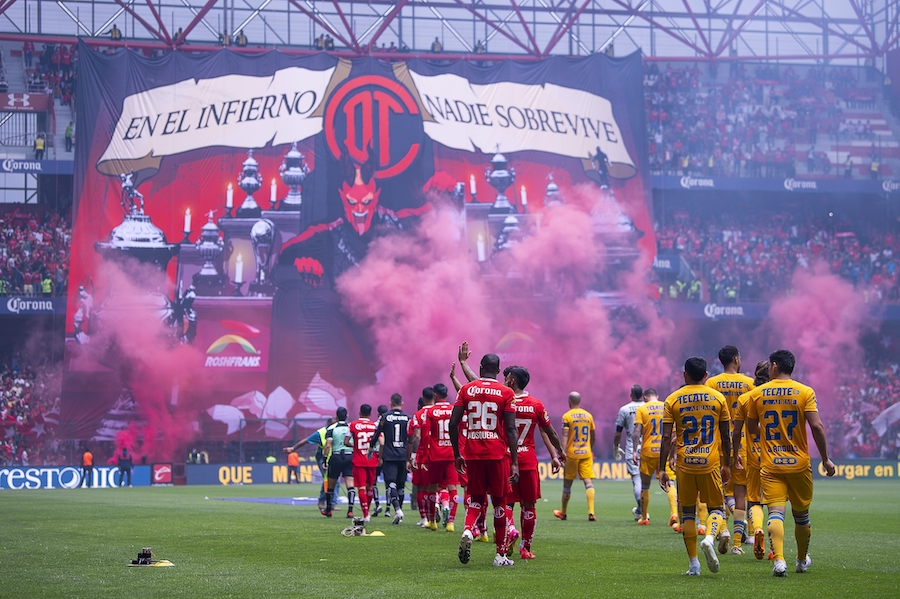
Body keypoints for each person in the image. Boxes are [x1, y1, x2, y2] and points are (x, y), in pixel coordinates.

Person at [745, 349, 836, 577]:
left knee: (775, 512)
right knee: (801, 516)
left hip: (771, 465)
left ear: (774, 366)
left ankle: (779, 562)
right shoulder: (805, 391)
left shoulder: (758, 394)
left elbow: (752, 428)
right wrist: (825, 459)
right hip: (798, 465)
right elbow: (816, 427)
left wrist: (768, 423)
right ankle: (802, 560)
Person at [658, 357, 731, 576]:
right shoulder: (718, 398)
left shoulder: (672, 399)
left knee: (687, 513)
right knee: (717, 508)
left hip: (685, 464)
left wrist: (661, 469)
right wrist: (726, 463)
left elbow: (665, 437)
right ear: (706, 376)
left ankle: (694, 565)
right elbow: (726, 436)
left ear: (684, 374)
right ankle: (709, 537)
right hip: (710, 463)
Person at [449, 352, 519, 567]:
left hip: (473, 453)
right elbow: (510, 428)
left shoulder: (466, 390)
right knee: (499, 502)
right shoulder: (506, 392)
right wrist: (515, 461)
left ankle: (469, 530)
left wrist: (457, 454)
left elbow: (453, 423)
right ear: (499, 371)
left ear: (480, 368)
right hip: (497, 454)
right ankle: (500, 555)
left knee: (476, 498)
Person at [505, 366, 563, 560]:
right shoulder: (536, 404)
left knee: (505, 503)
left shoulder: (502, 401)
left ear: (512, 380)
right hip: (528, 460)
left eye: (506, 377)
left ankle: (510, 530)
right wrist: (559, 453)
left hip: (507, 459)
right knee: (528, 505)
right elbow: (550, 432)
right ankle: (525, 549)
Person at [706, 345, 755, 553]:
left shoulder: (711, 383)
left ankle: (724, 529)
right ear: (736, 359)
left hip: (718, 445)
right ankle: (739, 542)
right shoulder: (750, 384)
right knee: (741, 492)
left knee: (719, 494)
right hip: (742, 445)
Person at [731, 360, 771, 558]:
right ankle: (770, 544)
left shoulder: (746, 398)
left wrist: (734, 452)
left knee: (743, 498)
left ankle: (737, 543)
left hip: (747, 453)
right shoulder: (776, 397)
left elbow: (736, 431)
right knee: (772, 501)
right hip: (772, 454)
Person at [419, 383, 459, 532]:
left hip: (435, 455)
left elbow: (425, 436)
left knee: (432, 487)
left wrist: (423, 458)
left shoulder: (430, 411)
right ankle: (451, 523)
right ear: (446, 395)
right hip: (451, 453)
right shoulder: (454, 409)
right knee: (452, 487)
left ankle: (431, 521)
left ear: (435, 395)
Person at [632, 388, 675, 526]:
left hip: (648, 451)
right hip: (664, 451)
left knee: (645, 485)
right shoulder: (666, 406)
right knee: (670, 482)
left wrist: (634, 450)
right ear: (657, 396)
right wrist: (673, 453)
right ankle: (674, 513)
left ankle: (644, 517)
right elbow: (673, 433)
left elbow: (637, 431)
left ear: (644, 397)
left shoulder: (642, 409)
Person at [553, 392, 596, 522]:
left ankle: (563, 513)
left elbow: (565, 436)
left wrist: (562, 453)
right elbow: (593, 436)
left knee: (567, 484)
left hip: (572, 454)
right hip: (586, 452)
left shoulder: (567, 416)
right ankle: (591, 512)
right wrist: (590, 447)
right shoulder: (588, 416)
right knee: (588, 482)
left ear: (569, 401)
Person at [371, 393, 410, 524]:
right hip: (403, 455)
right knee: (401, 487)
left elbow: (377, 434)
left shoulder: (385, 417)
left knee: (390, 484)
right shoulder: (408, 418)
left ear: (390, 403)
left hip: (390, 455)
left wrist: (371, 448)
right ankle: (399, 512)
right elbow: (412, 437)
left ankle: (398, 510)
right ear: (402, 403)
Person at [284, 418, 334, 508]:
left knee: (335, 481)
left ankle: (332, 503)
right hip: (322, 458)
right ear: (329, 424)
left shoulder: (339, 430)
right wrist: (293, 448)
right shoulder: (321, 432)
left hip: (334, 458)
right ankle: (323, 501)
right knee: (328, 479)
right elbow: (306, 440)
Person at [614, 385, 644, 520]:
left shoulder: (624, 409)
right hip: (651, 445)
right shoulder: (648, 406)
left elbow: (618, 432)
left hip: (633, 447)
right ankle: (674, 512)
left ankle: (643, 510)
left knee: (637, 478)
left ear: (631, 394)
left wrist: (616, 446)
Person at [348, 404, 380, 522]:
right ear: (370, 414)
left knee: (361, 487)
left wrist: (354, 446)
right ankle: (368, 511)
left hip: (359, 460)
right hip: (372, 460)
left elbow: (346, 441)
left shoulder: (352, 425)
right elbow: (381, 442)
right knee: (370, 487)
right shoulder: (375, 426)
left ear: (359, 412)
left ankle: (365, 514)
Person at [408, 386, 435, 526]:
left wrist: (413, 455)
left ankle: (425, 517)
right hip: (439, 453)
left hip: (423, 454)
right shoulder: (442, 411)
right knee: (440, 486)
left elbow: (416, 437)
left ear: (423, 398)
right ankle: (440, 507)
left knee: (421, 487)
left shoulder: (418, 415)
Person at [322, 407, 354, 518]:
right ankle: (350, 511)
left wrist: (325, 460)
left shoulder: (331, 428)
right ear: (346, 416)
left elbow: (327, 445)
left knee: (331, 485)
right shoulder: (351, 427)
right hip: (349, 456)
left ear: (336, 416)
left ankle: (328, 510)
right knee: (350, 484)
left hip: (336, 456)